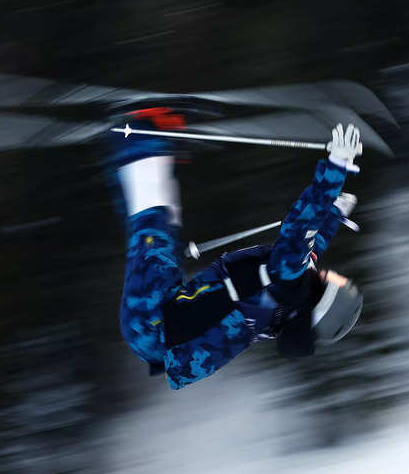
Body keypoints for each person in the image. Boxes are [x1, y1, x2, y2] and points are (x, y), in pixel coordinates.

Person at [112, 107, 364, 389]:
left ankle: (138, 137)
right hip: (159, 325)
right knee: (161, 226)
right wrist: (333, 215)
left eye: (336, 282)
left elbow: (300, 230)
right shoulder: (287, 303)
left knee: (152, 226)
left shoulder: (289, 281)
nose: (332, 274)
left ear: (324, 298)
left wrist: (335, 169)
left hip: (152, 321)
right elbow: (312, 245)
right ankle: (148, 150)